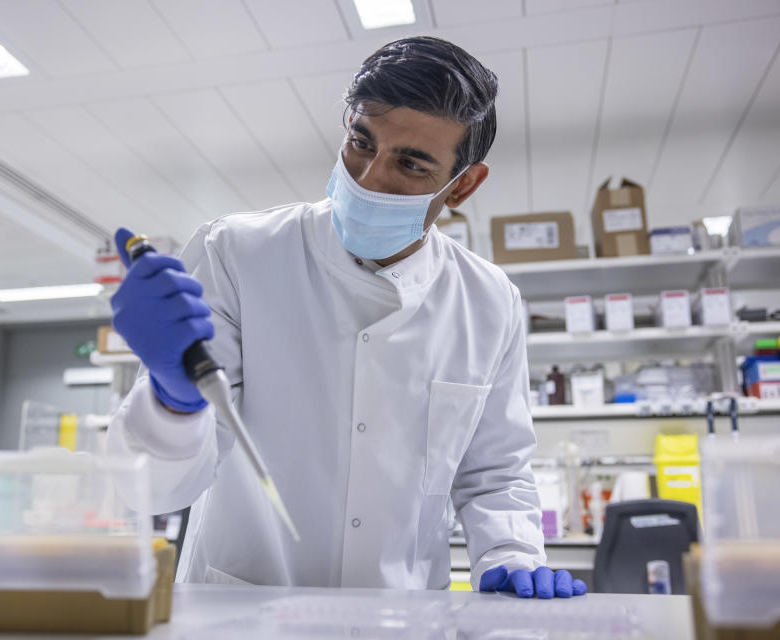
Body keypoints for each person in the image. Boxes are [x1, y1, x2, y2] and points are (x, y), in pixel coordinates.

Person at [108, 36, 587, 598]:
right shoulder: (237, 253)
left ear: (463, 185)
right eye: (361, 141)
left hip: (402, 615)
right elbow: (154, 492)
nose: (369, 177)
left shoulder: (488, 299)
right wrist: (172, 400)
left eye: (410, 163)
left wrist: (510, 552)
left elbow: (496, 472)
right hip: (241, 610)